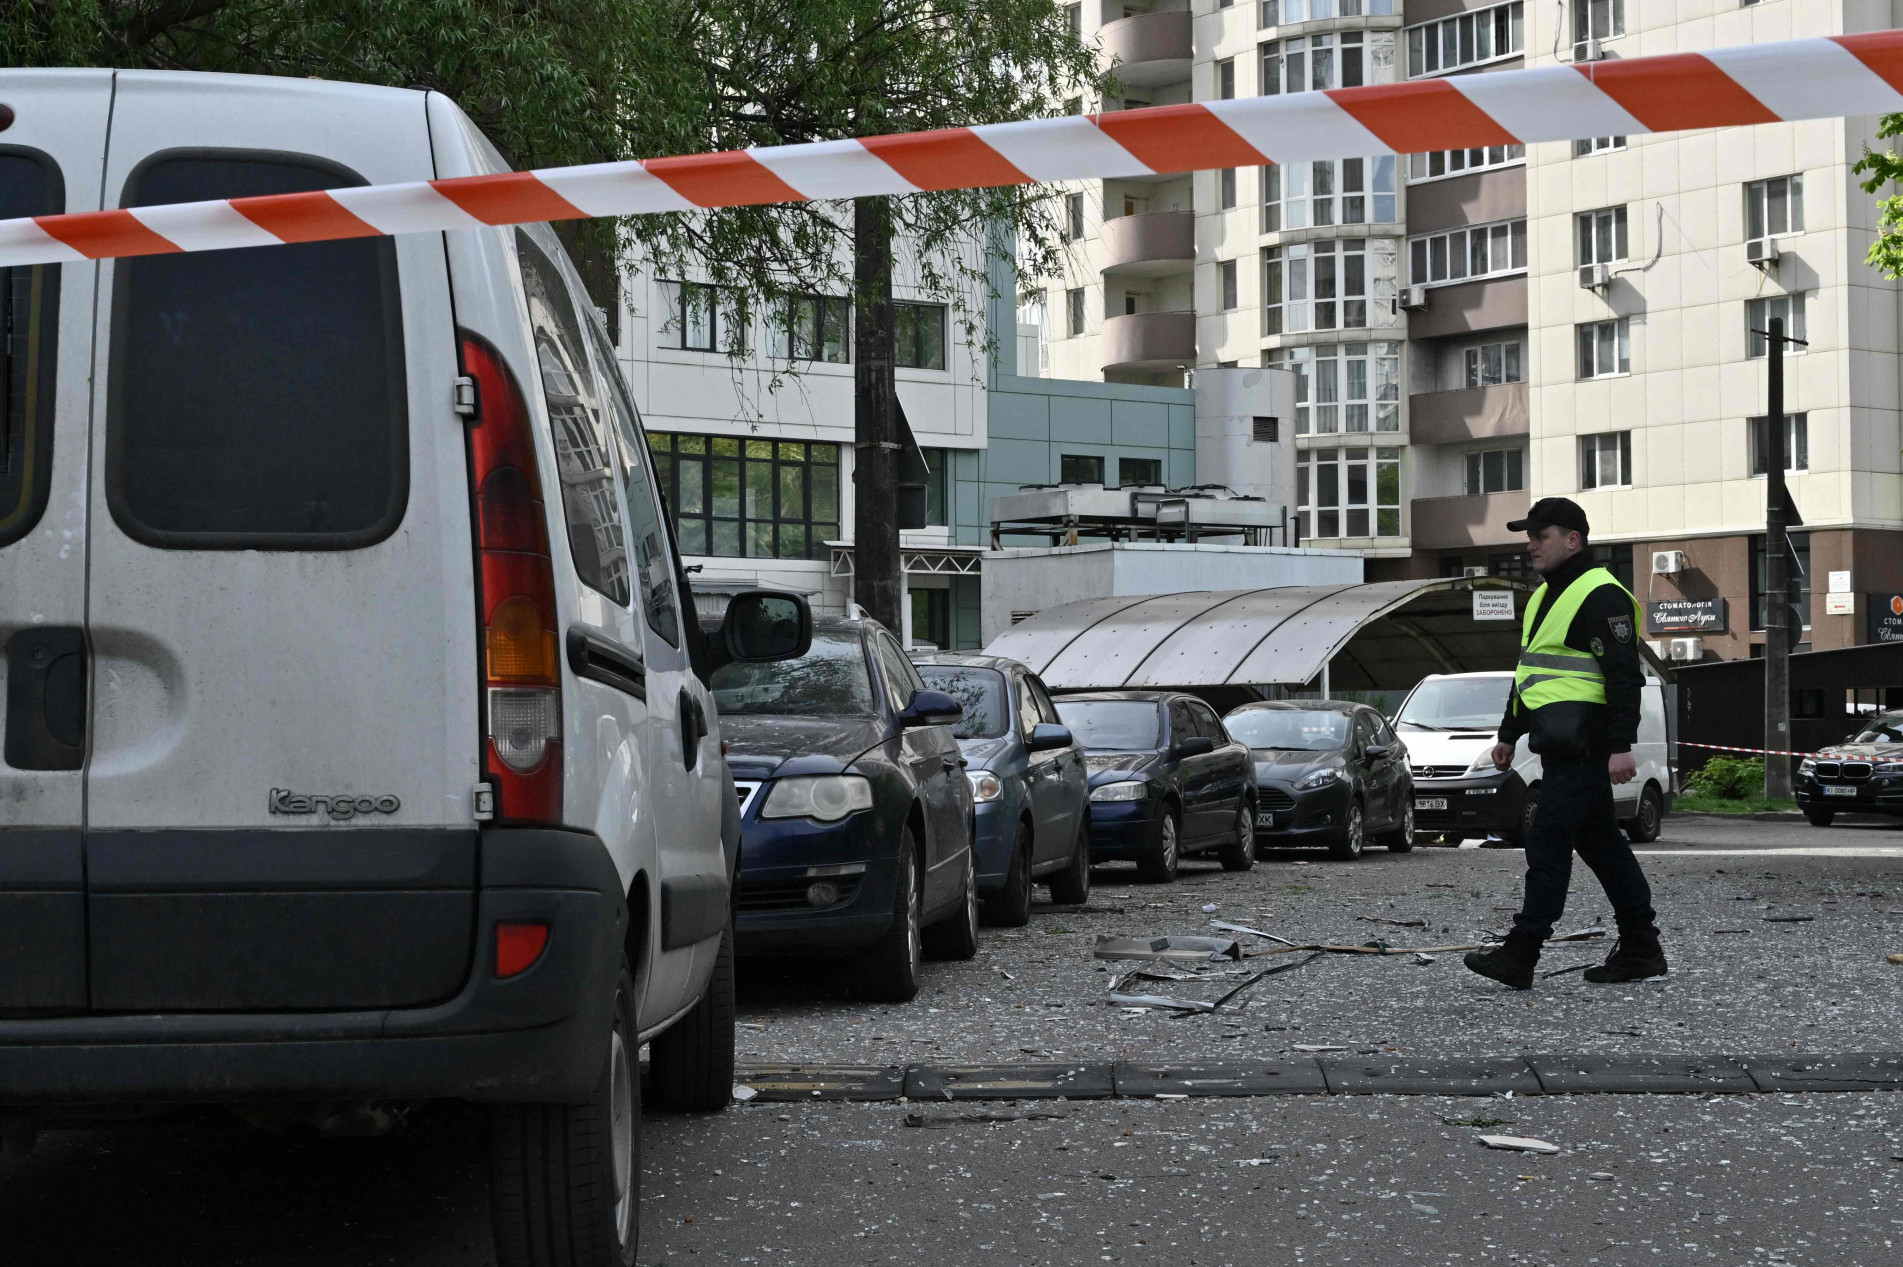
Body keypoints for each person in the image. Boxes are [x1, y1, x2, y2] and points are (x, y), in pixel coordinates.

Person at [1463, 497, 1668, 990]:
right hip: (1557, 741)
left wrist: (1623, 745)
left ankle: (1522, 951)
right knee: (1600, 843)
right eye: (1528, 536)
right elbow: (1529, 670)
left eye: (1540, 535)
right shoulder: (1542, 596)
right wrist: (1508, 735)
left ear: (1572, 539)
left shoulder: (1602, 595)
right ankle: (1642, 947)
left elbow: (1624, 678)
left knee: (1548, 837)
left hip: (1587, 742)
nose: (1530, 545)